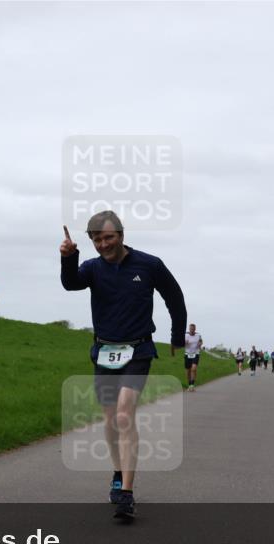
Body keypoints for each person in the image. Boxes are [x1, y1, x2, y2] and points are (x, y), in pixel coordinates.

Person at [60, 211, 186, 522]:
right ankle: (118, 473)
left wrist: (177, 336)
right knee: (110, 419)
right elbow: (70, 284)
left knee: (124, 413)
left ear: (121, 234)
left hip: (139, 347)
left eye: (109, 237)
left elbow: (174, 297)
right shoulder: (91, 267)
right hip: (104, 349)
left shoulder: (149, 264)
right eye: (97, 240)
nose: (103, 244)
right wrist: (69, 257)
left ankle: (126, 494)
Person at [183, 323, 203, 391]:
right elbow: (182, 344)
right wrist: (185, 343)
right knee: (188, 371)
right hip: (187, 354)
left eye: (193, 329)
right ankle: (189, 385)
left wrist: (200, 344)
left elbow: (201, 341)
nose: (192, 330)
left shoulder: (198, 335)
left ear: (195, 329)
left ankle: (192, 385)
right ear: (189, 329)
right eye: (190, 329)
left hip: (196, 353)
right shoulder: (185, 335)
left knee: (193, 369)